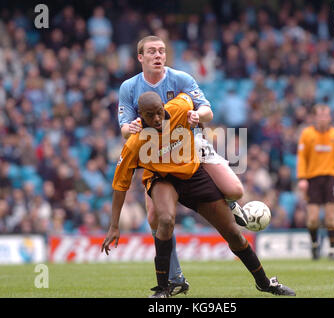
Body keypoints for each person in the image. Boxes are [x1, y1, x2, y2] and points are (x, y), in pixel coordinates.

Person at [101, 92, 295, 298]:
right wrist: (114, 225)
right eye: (150, 115)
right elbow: (120, 186)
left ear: (164, 108)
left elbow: (200, 108)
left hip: (193, 174)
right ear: (141, 115)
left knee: (233, 234)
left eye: (159, 112)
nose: (157, 118)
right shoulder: (134, 142)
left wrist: (199, 121)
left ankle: (265, 283)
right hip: (162, 178)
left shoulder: (181, 106)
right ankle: (163, 289)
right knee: (165, 220)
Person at [117, 35, 247, 295]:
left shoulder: (182, 79)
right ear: (140, 57)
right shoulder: (129, 87)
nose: (158, 55)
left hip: (191, 146)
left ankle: (230, 205)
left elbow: (208, 111)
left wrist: (198, 115)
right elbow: (124, 128)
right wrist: (129, 128)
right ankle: (176, 277)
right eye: (152, 51)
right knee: (156, 218)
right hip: (156, 155)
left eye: (162, 51)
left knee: (235, 190)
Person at [296, 104, 334, 260]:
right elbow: (302, 157)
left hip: (330, 178)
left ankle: (332, 249)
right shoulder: (307, 134)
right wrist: (302, 178)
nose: (323, 118)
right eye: (320, 115)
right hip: (313, 179)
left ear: (330, 117)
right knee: (313, 219)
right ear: (315, 117)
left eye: (326, 115)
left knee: (331, 217)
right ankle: (315, 245)